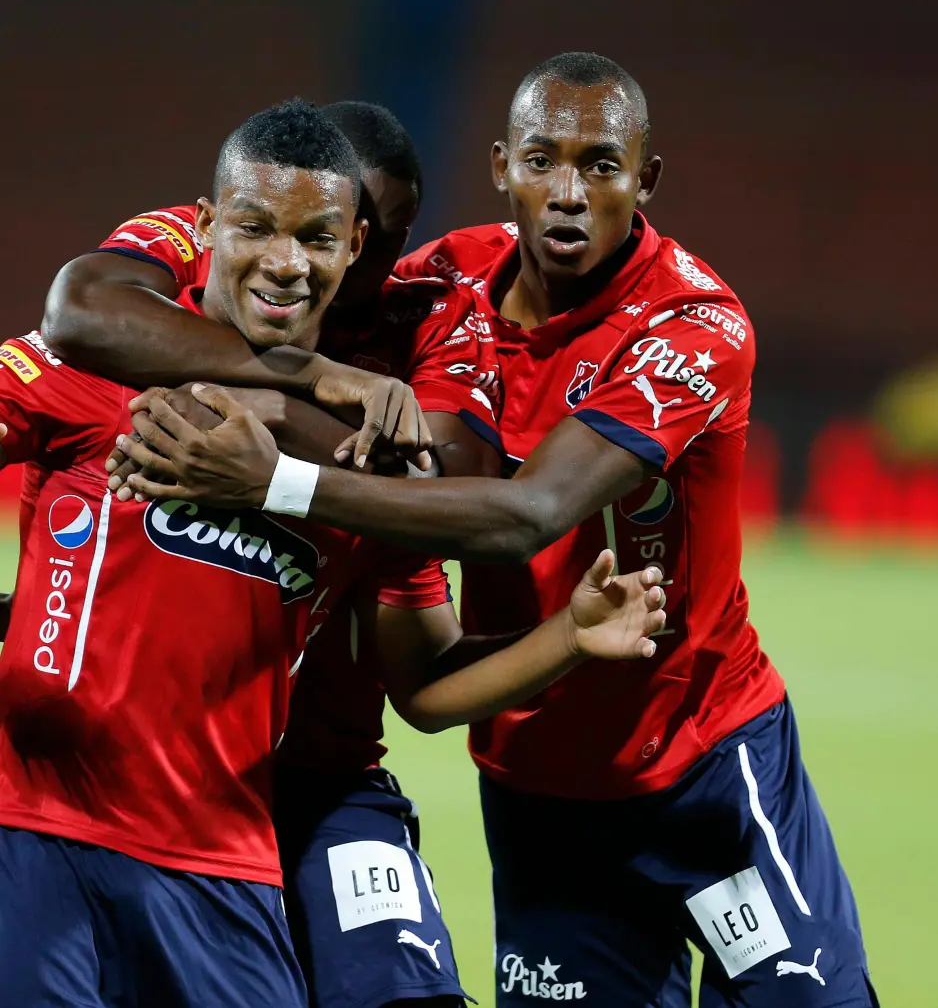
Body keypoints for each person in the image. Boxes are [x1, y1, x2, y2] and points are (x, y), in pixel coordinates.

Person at [120, 55, 880, 1008]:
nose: (568, 193)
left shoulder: (692, 326)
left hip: (701, 760)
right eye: (542, 160)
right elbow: (167, 299)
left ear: (645, 180)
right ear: (500, 166)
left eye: (600, 166)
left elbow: (528, 514)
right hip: (536, 780)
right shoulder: (442, 285)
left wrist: (275, 475)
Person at [0, 97, 667, 1008]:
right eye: (255, 229)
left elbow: (426, 671)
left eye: (318, 239)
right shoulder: (104, 363)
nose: (286, 262)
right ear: (206, 226)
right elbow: (75, 312)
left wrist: (568, 637)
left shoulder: (372, 456)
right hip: (34, 824)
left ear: (356, 248)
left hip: (226, 860)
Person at [41, 100, 501, 1008]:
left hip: (324, 771)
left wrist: (275, 455)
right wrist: (307, 379)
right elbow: (77, 314)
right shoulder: (193, 257)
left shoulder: (432, 318)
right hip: (146, 787)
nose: (318, 265)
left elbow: (456, 497)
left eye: (367, 241)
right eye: (269, 228)